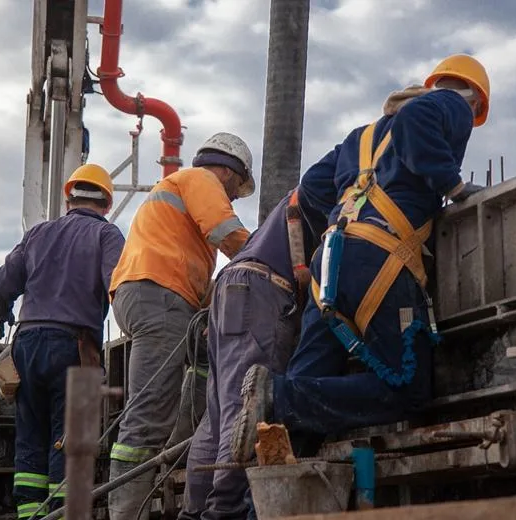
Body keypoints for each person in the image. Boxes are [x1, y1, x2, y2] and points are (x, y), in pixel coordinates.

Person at [230, 54, 491, 464]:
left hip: (329, 262)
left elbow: (311, 189)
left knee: (309, 383)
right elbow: (416, 121)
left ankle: (266, 492)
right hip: (379, 260)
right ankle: (279, 396)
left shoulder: (360, 138)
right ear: (475, 98)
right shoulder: (453, 101)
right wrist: (454, 188)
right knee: (407, 388)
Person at [107, 132, 255, 520]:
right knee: (146, 421)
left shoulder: (178, 195)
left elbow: (197, 270)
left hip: (152, 295)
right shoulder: (202, 180)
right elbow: (227, 233)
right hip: (160, 298)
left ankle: (185, 445)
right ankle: (125, 515)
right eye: (237, 188)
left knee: (203, 365)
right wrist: (266, 258)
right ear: (228, 171)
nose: (235, 197)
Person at [178, 183, 333, 520]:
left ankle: (193, 513)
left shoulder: (280, 219)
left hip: (229, 287)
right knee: (248, 409)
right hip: (263, 290)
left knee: (217, 418)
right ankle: (224, 511)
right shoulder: (344, 196)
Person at [0, 164, 125, 518]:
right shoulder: (108, 237)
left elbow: (0, 285)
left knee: (31, 434)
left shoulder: (38, 234)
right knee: (72, 440)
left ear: (68, 199)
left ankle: (30, 514)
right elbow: (118, 286)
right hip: (74, 347)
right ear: (106, 203)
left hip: (27, 344)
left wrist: (0, 314)